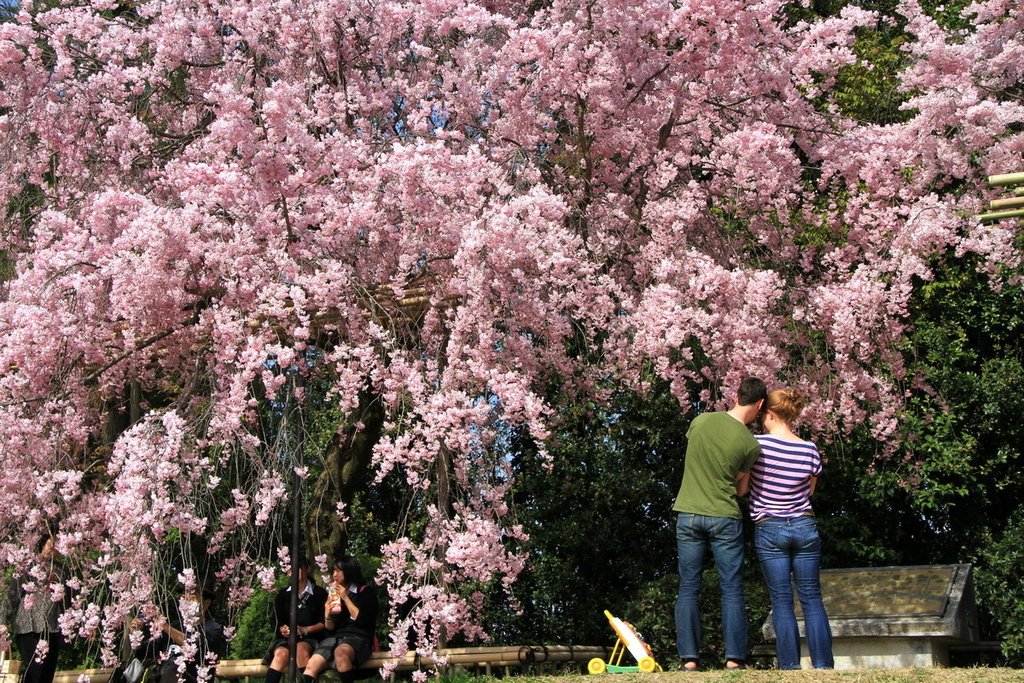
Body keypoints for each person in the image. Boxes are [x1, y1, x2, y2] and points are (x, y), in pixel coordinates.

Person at [672, 376, 766, 671]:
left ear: (736, 395)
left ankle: (689, 660)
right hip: (724, 517)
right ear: (760, 405)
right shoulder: (750, 444)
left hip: (688, 513)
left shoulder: (700, 421)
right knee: (732, 589)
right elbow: (741, 490)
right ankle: (734, 659)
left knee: (688, 587)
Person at [749, 389, 833, 669]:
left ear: (768, 413)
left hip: (770, 526)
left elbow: (745, 483)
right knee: (811, 598)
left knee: (782, 600)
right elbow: (810, 490)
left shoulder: (757, 445)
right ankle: (823, 666)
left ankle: (790, 666)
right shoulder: (809, 449)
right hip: (804, 525)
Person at [301, 556, 378, 683]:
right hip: (336, 637)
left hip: (359, 637)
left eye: (338, 571)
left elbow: (361, 619)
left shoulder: (365, 592)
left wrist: (346, 598)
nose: (334, 575)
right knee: (311, 665)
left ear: (348, 571)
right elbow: (330, 627)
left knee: (340, 652)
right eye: (333, 571)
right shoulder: (334, 594)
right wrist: (327, 612)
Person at [134, 579, 226, 683]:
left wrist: (164, 626)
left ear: (206, 603)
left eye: (192, 598)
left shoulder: (213, 629)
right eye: (184, 597)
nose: (186, 601)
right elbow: (144, 652)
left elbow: (196, 645)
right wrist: (137, 634)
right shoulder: (175, 626)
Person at [2, 533, 64, 683]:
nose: (53, 550)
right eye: (51, 545)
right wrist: (2, 620)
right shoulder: (28, 567)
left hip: (52, 628)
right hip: (28, 628)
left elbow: (67, 599)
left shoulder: (62, 570)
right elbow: (12, 595)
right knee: (34, 672)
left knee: (47, 673)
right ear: (42, 545)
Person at [262, 556, 328, 683]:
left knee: (301, 649)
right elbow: (277, 622)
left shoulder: (320, 594)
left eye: (299, 568)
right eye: (291, 569)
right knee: (281, 655)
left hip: (311, 639)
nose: (295, 572)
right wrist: (283, 629)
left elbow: (324, 623)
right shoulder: (282, 595)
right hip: (287, 639)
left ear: (306, 569)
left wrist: (304, 630)